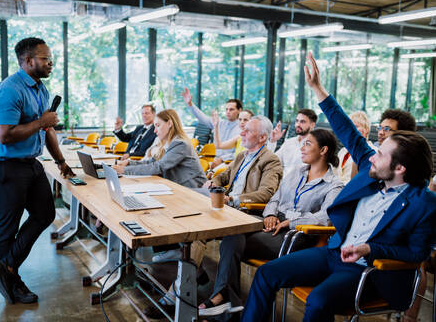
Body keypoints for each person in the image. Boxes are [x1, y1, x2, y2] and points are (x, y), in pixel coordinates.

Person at [241, 52, 436, 322]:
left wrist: (370, 249)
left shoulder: (422, 202)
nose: (372, 156)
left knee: (318, 300)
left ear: (400, 168)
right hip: (334, 252)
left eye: (380, 153)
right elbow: (345, 129)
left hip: (368, 270)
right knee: (267, 273)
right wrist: (317, 89)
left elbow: (417, 254)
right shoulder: (372, 173)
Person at [143, 116, 283, 319]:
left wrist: (232, 198)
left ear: (262, 137)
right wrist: (214, 182)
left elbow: (266, 193)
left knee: (204, 233)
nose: (241, 133)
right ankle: (191, 281)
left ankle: (177, 294)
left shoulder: (271, 160)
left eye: (248, 131)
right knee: (190, 223)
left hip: (247, 213)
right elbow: (223, 175)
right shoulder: (242, 156)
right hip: (226, 211)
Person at [199, 129, 343, 318]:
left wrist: (291, 222)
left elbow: (326, 217)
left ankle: (224, 298)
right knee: (232, 231)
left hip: (295, 235)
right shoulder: (295, 174)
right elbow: (274, 199)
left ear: (323, 150)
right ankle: (225, 299)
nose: (302, 147)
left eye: (308, 144)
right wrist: (270, 214)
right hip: (273, 224)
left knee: (232, 240)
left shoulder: (334, 184)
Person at [0, 37, 75, 304]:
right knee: (7, 226)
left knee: (45, 214)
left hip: (30, 164)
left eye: (51, 58)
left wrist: (60, 162)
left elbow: (47, 131)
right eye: (46, 59)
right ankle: (12, 283)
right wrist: (40, 122)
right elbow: (4, 135)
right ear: (28, 60)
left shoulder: (41, 89)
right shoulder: (10, 90)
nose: (51, 63)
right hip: (4, 167)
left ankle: (7, 267)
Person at [112, 109, 206, 188]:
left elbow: (158, 167)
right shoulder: (168, 143)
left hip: (191, 189)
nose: (155, 130)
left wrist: (124, 170)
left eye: (157, 125)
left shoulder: (180, 144)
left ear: (169, 123)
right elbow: (151, 162)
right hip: (176, 186)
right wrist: (128, 163)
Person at [181, 87, 242, 168]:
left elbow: (240, 153)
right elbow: (202, 117)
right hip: (214, 158)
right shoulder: (220, 123)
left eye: (231, 109)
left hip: (228, 161)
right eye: (226, 109)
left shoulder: (242, 128)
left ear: (239, 110)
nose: (228, 112)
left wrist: (222, 159)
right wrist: (190, 104)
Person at [272, 108, 317, 176]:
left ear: (312, 125)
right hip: (281, 182)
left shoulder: (316, 146)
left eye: (302, 122)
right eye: (297, 121)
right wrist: (273, 141)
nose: (298, 124)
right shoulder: (289, 142)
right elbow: (273, 161)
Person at [336, 111, 377, 184]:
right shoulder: (343, 151)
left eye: (355, 127)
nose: (350, 130)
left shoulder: (373, 152)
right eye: (348, 127)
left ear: (366, 129)